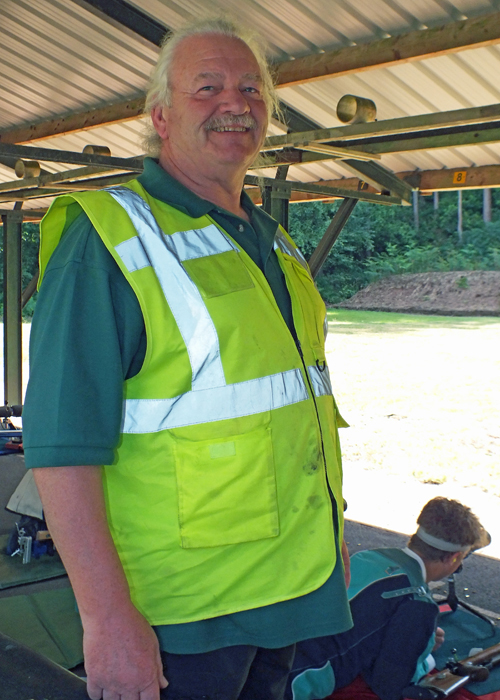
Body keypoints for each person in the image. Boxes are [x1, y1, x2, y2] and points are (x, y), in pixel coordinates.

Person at [22, 16, 353, 700]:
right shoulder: (109, 235)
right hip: (181, 615)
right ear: (161, 117)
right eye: (207, 87)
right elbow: (61, 446)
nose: (236, 102)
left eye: (251, 88)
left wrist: (330, 534)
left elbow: (297, 412)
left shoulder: (271, 239)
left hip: (286, 588)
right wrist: (107, 618)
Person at [287, 497, 490, 700]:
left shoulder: (366, 557)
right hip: (293, 687)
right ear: (452, 557)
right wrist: (425, 657)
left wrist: (419, 637)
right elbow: (388, 685)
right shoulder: (418, 605)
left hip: (273, 658)